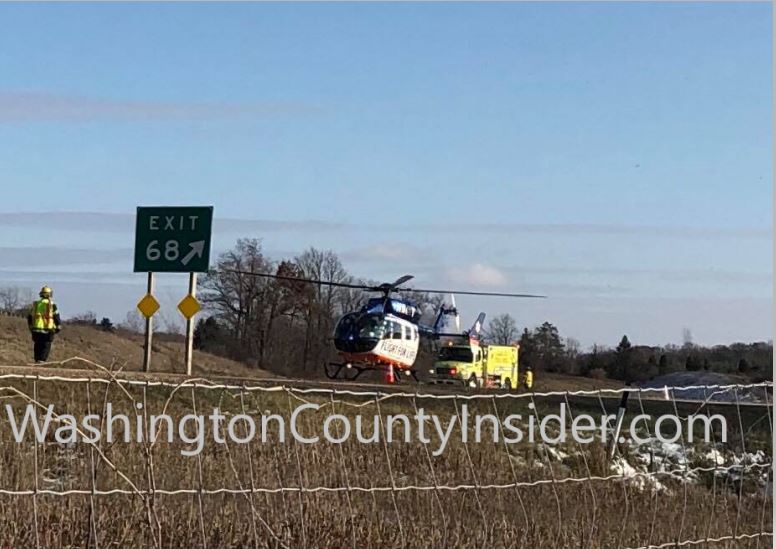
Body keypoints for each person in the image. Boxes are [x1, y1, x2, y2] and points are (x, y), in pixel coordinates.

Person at [27, 286, 61, 363]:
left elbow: (29, 316)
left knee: (37, 345)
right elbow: (56, 316)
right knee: (45, 346)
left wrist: (30, 327)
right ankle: (42, 361)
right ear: (49, 294)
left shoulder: (36, 304)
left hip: (36, 329)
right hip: (48, 329)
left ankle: (36, 360)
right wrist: (58, 326)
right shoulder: (52, 305)